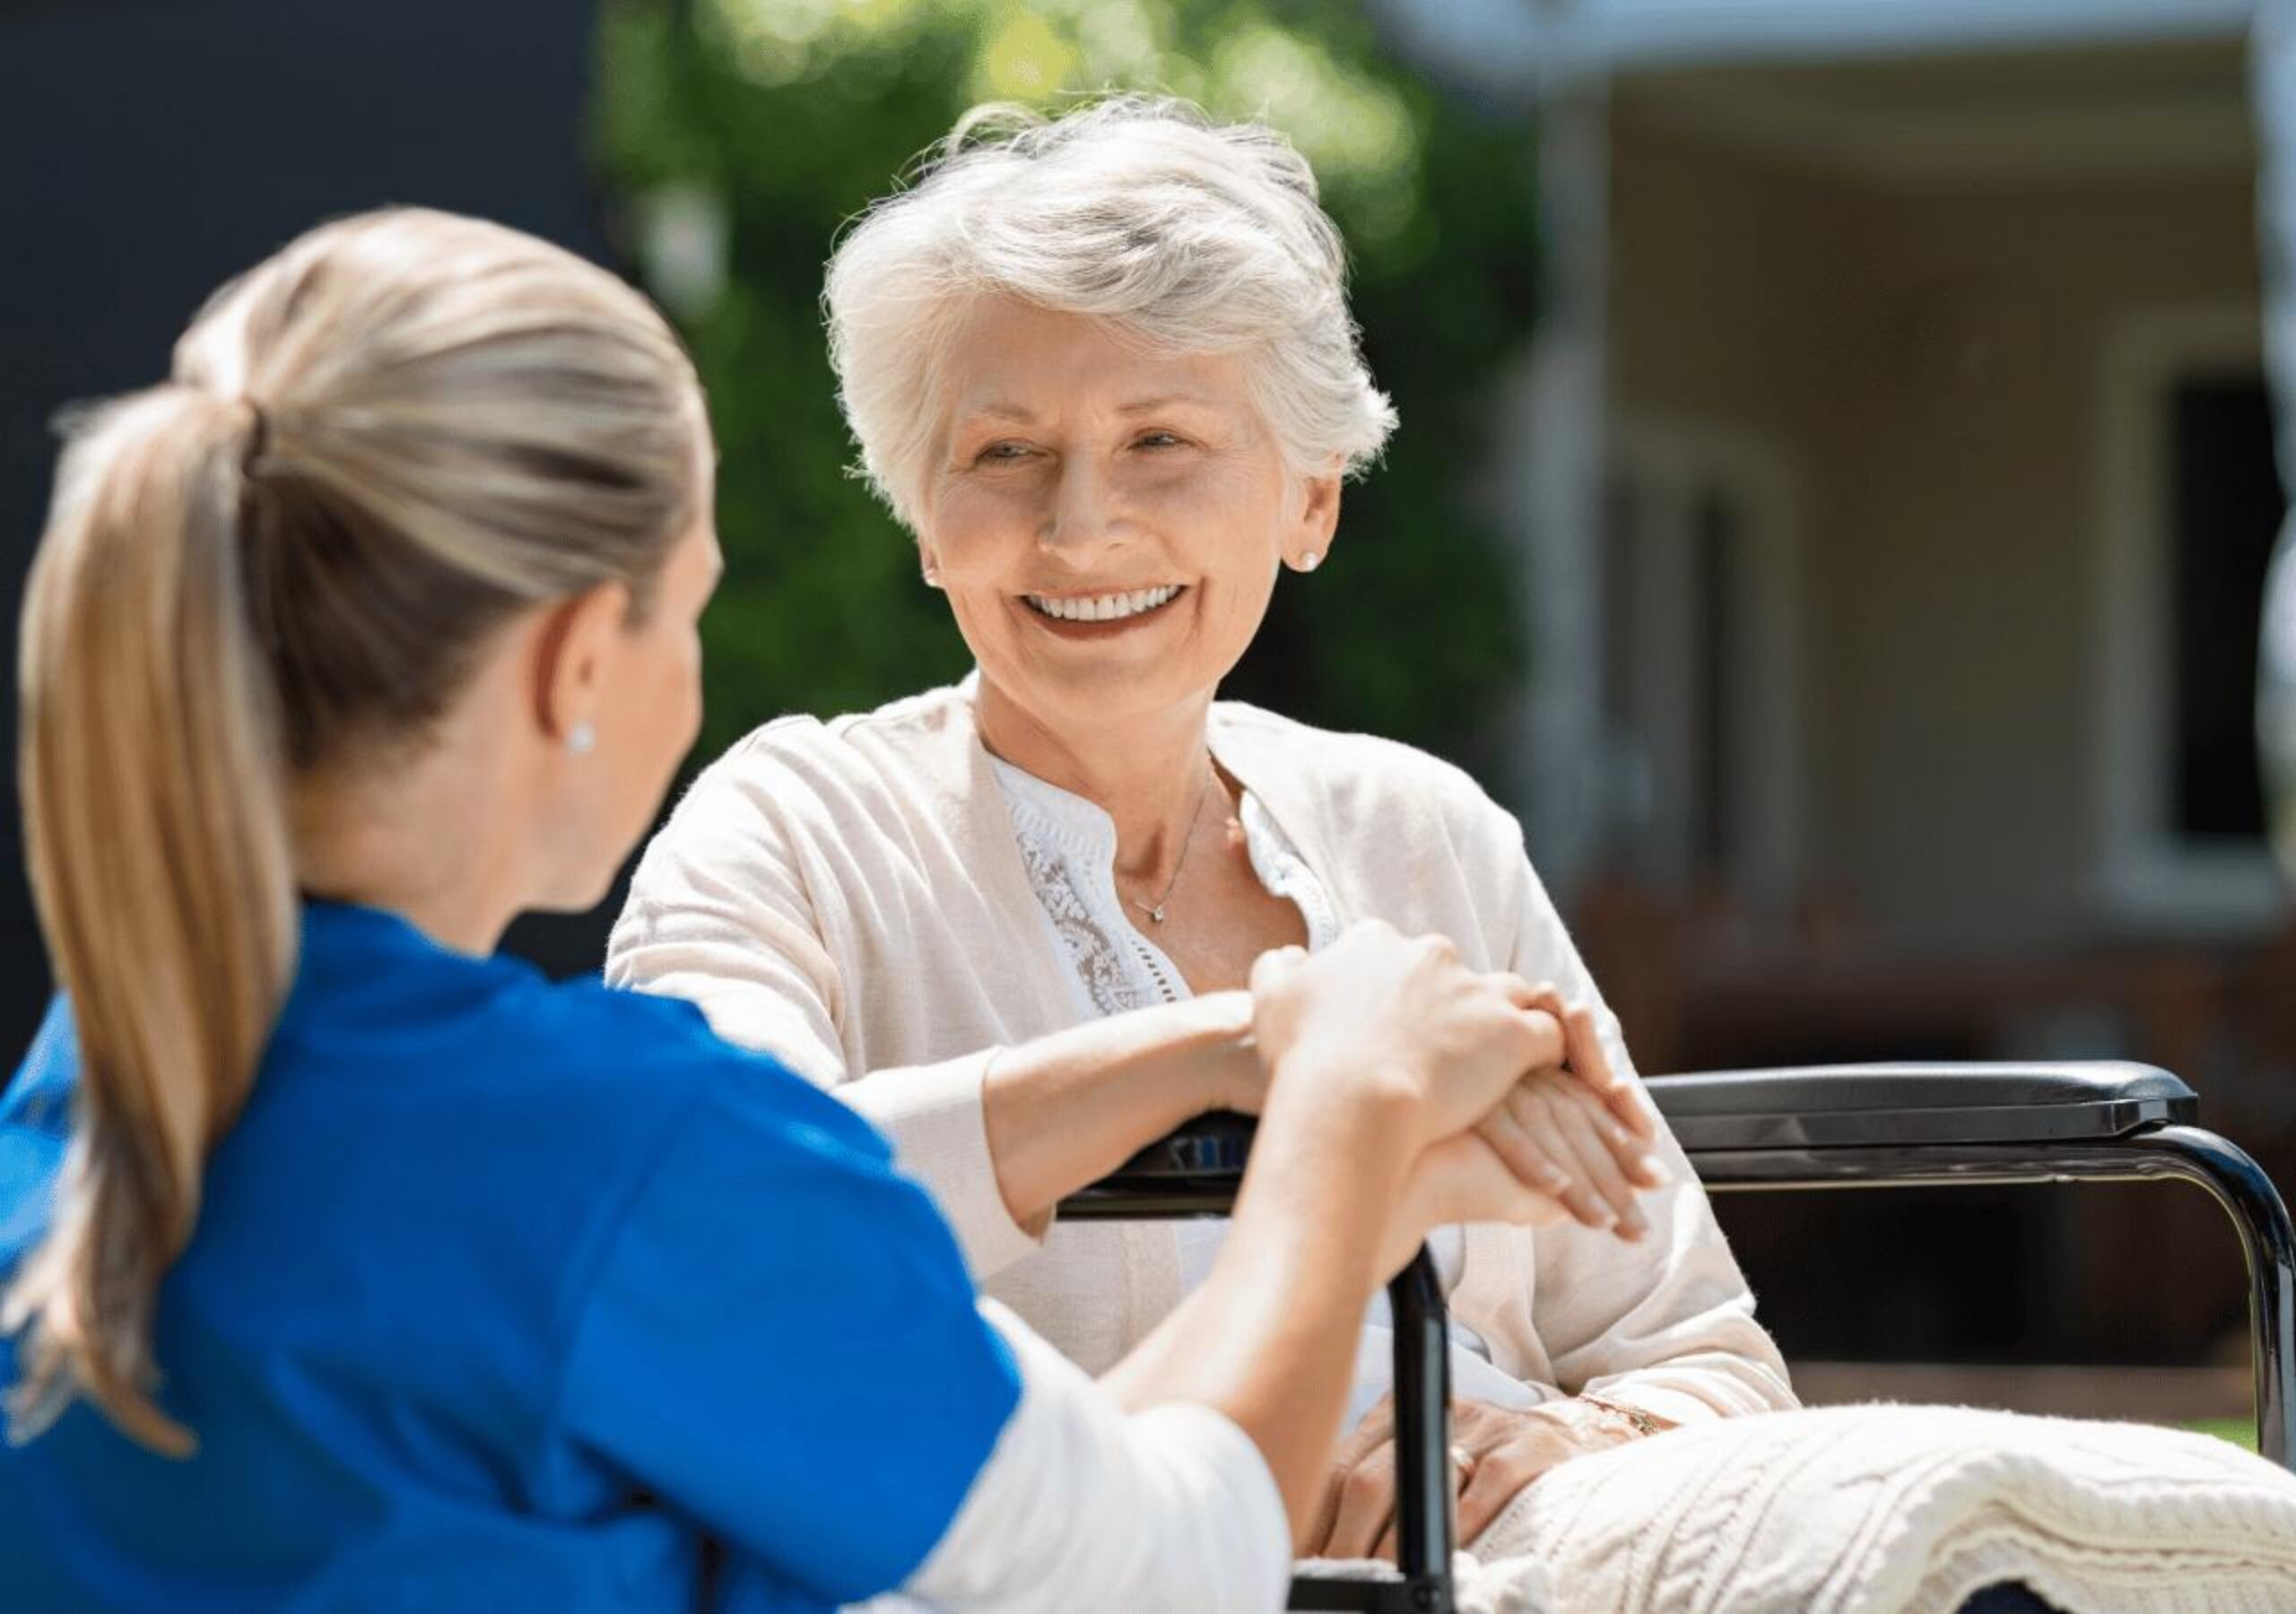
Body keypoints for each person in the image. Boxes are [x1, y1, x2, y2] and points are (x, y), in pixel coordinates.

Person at [0, 206, 1637, 1610]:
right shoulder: (621, 1156)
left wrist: (1214, 1046)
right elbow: (1168, 1567)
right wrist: (1343, 1105)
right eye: (695, 605)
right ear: (581, 660)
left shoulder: (88, 1097)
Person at [605, 96, 1795, 1562]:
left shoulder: (1425, 834)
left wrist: (1546, 1444)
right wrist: (1250, 1048)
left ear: (1310, 499)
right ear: (925, 517)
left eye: (1160, 440)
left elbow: (1704, 1358)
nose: (1082, 528)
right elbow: (718, 1227)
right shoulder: (790, 828)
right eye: (1004, 455)